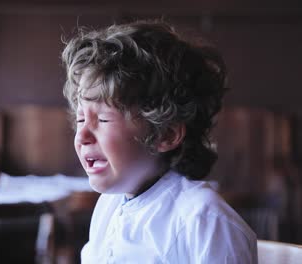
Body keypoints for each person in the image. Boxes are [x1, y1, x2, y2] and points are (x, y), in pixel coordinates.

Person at [61, 20, 257, 263]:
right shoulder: (107, 207)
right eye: (81, 120)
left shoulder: (204, 222)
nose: (82, 136)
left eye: (102, 119)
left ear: (166, 135)